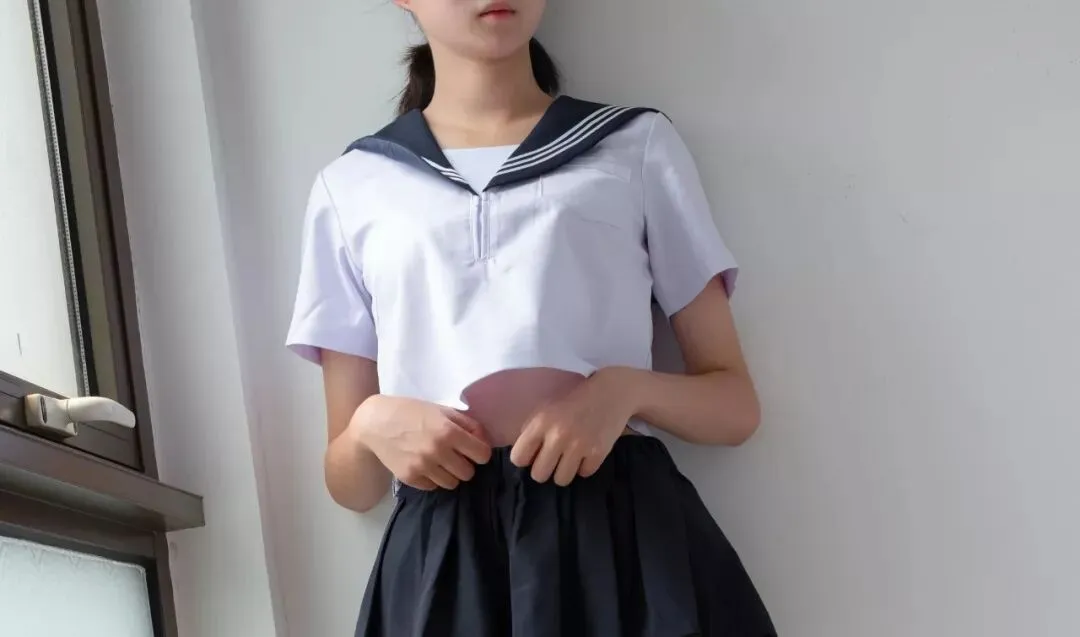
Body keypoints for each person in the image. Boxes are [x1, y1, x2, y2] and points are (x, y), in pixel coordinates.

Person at [286, 1, 776, 635]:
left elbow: (735, 408)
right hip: (448, 560)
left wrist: (624, 390)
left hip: (619, 542)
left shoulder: (636, 146)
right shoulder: (352, 186)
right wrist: (371, 425)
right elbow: (352, 486)